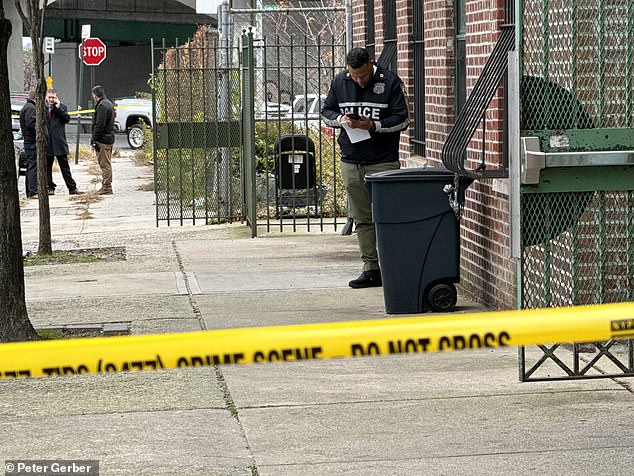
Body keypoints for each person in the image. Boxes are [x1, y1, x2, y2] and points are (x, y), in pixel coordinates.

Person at [321, 47, 410, 289]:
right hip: (351, 160)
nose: (359, 80)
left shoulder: (389, 82)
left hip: (382, 159)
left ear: (371, 64)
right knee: (361, 217)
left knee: (386, 215)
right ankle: (370, 268)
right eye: (355, 76)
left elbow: (402, 119)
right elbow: (326, 111)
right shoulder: (340, 81)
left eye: (363, 75)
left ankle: (394, 266)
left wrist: (373, 125)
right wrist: (340, 120)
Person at [45, 88, 83, 195]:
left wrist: (58, 109)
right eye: (49, 97)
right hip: (47, 142)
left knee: (65, 167)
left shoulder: (62, 107)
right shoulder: (42, 108)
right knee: (47, 167)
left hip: (59, 142)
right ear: (46, 97)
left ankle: (72, 188)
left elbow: (66, 119)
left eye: (53, 97)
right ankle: (49, 187)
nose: (51, 99)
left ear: (56, 97)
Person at [90, 85, 115, 195]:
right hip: (109, 137)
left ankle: (107, 187)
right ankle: (105, 185)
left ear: (94, 95)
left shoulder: (101, 106)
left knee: (104, 164)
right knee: (106, 163)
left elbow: (99, 124)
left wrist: (95, 139)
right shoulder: (108, 103)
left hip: (103, 140)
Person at [19, 90, 38, 199]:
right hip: (31, 142)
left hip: (29, 141)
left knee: (31, 165)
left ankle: (30, 190)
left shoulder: (28, 107)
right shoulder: (31, 108)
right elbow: (32, 124)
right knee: (33, 165)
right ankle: (32, 191)